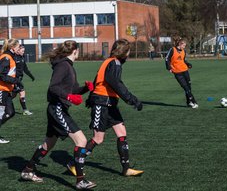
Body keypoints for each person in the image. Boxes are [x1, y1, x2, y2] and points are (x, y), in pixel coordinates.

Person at [20, 40, 96, 190]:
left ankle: (28, 170)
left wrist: (85, 89)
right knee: (81, 140)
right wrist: (68, 97)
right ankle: (80, 181)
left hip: (58, 108)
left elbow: (73, 89)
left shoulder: (69, 67)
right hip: (57, 109)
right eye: (78, 50)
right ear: (75, 51)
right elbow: (53, 88)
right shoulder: (63, 66)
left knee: (49, 143)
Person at [67, 39, 144, 177]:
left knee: (121, 132)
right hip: (102, 104)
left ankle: (126, 168)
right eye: (128, 51)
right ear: (124, 52)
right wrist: (132, 100)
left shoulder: (111, 61)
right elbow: (115, 83)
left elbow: (97, 80)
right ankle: (74, 164)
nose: (129, 53)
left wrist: (91, 97)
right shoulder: (114, 63)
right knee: (98, 138)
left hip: (110, 103)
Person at [165, 37, 198, 108]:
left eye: (185, 46)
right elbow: (167, 59)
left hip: (185, 71)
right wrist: (169, 68)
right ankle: (194, 101)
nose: (184, 47)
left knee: (189, 87)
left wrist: (188, 64)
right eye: (183, 45)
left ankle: (189, 102)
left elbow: (183, 60)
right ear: (180, 44)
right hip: (177, 72)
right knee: (185, 87)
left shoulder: (183, 51)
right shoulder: (172, 50)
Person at [0, 38, 21, 144]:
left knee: (10, 112)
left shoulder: (11, 57)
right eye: (18, 46)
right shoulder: (6, 57)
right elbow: (1, 75)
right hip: (1, 90)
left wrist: (15, 84)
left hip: (6, 90)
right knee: (2, 113)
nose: (20, 48)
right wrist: (15, 80)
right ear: (13, 48)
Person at [13, 45, 35, 115]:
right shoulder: (13, 58)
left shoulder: (22, 57)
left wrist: (31, 76)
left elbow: (25, 69)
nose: (23, 52)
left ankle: (3, 105)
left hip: (19, 79)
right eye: (22, 51)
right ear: (18, 50)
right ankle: (25, 110)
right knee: (22, 93)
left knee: (12, 95)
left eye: (24, 51)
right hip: (14, 80)